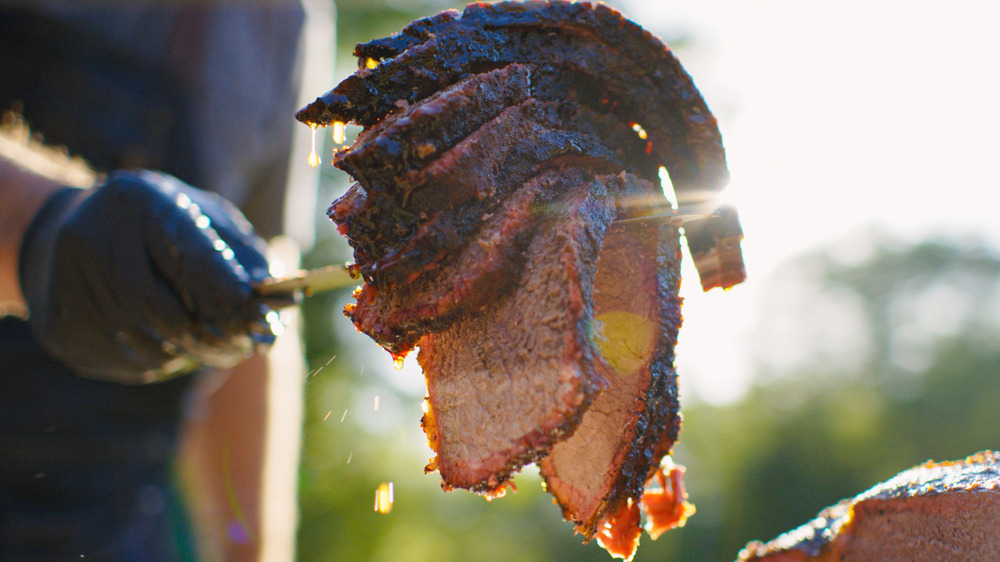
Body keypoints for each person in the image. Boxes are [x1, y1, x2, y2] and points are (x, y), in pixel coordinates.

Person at [0, 3, 333, 560]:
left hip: (105, 528)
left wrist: (248, 550)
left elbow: (258, 306)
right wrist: (36, 226)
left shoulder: (285, 19)